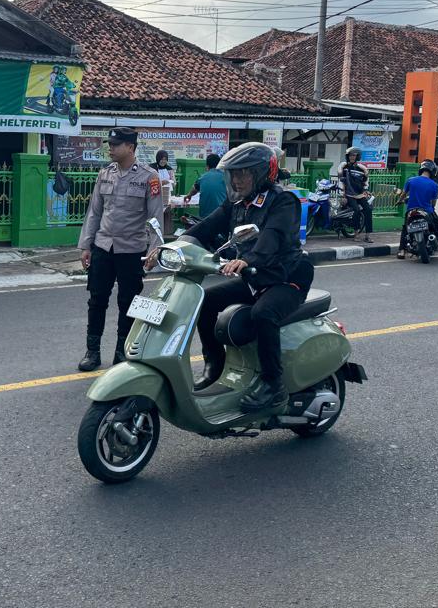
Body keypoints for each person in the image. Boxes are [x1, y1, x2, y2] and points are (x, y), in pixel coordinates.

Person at [159, 141, 313, 413]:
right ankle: (214, 363)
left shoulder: (282, 201)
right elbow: (205, 227)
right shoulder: (237, 203)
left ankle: (273, 385)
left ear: (262, 173)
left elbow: (272, 236)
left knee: (263, 313)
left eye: (244, 173)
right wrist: (170, 248)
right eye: (234, 174)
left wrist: (248, 260)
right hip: (255, 278)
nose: (237, 180)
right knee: (204, 300)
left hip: (285, 277)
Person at [77, 128, 164, 371]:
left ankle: (121, 352)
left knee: (128, 302)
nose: (111, 149)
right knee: (97, 300)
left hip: (132, 249)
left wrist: (155, 249)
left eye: (116, 145)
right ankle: (92, 352)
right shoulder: (105, 174)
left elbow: (155, 217)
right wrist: (86, 245)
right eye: (110, 144)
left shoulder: (149, 177)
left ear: (130, 147)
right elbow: (94, 212)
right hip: (103, 247)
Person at [396, 160, 438, 260]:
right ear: (433, 171)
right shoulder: (434, 185)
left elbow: (403, 194)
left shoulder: (411, 180)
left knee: (405, 229)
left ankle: (402, 251)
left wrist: (399, 201)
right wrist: (431, 206)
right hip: (427, 211)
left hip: (411, 210)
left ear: (421, 169)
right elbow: (433, 203)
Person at [337, 146, 373, 243]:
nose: (352, 157)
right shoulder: (344, 167)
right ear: (347, 156)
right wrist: (342, 195)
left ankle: (368, 235)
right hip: (349, 195)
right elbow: (341, 180)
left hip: (360, 194)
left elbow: (365, 182)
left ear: (357, 157)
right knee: (356, 210)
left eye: (354, 155)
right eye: (350, 155)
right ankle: (356, 234)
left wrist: (365, 190)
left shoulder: (362, 169)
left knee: (368, 210)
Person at [184, 152, 226, 218]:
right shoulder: (225, 176)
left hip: (205, 216)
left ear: (207, 166)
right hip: (222, 214)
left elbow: (195, 188)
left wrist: (189, 195)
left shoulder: (203, 178)